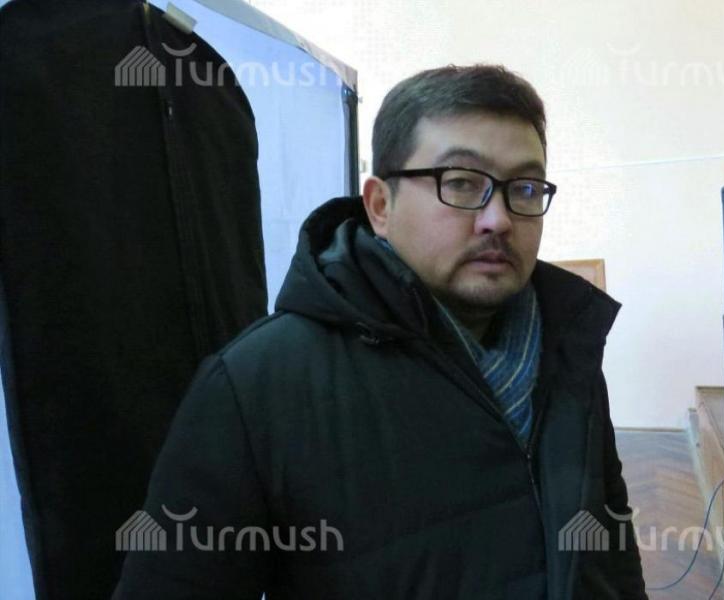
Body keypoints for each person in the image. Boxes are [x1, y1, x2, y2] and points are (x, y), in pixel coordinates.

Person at [113, 64, 647, 600]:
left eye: (525, 188)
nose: (498, 219)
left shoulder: (565, 347)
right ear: (380, 206)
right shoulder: (257, 385)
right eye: (462, 183)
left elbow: (610, 545)